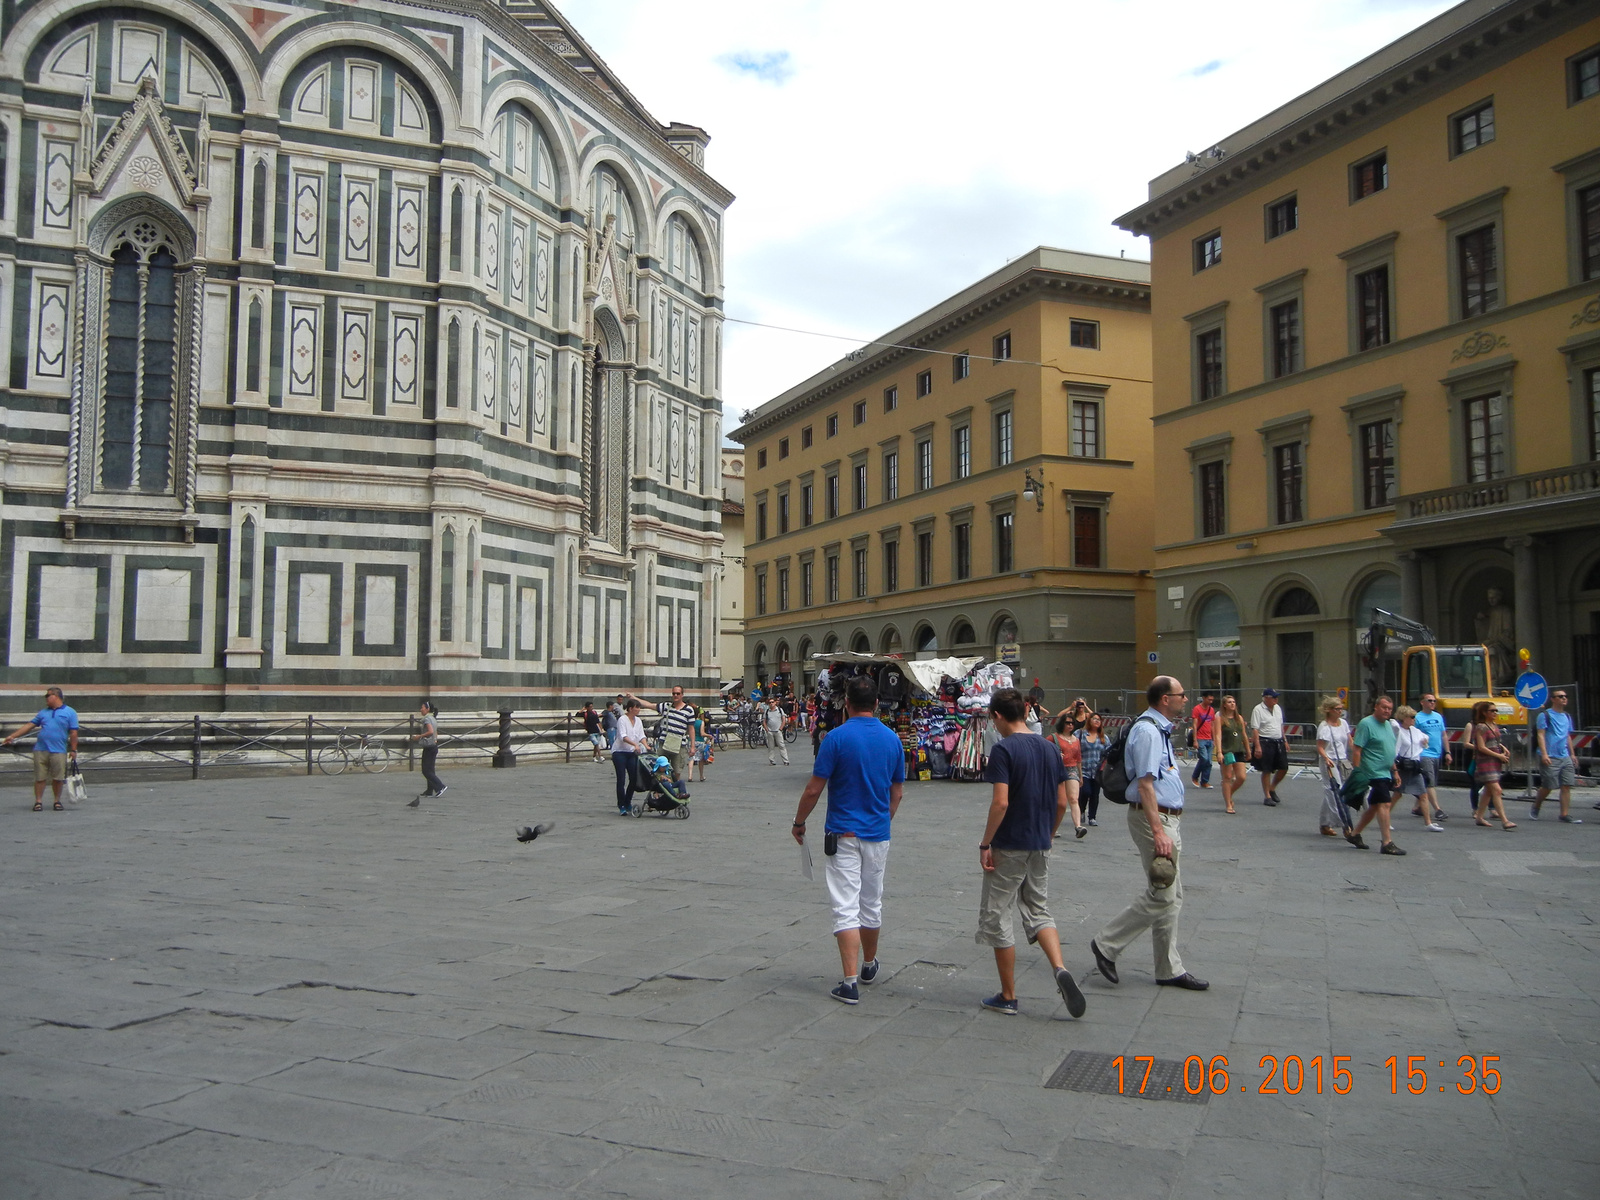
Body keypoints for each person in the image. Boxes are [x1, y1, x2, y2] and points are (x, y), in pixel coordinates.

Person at [791, 676, 905, 1005]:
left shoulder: (835, 739)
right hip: (877, 833)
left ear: (847, 703)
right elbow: (897, 793)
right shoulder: (892, 739)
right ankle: (869, 964)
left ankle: (850, 981)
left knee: (845, 906)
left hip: (843, 833)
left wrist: (799, 822)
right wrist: (884, 820)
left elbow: (814, 789)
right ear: (877, 703)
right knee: (872, 903)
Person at [1089, 676, 1208, 991]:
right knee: (1163, 894)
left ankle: (1168, 968)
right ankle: (1106, 944)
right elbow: (1145, 785)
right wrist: (1159, 831)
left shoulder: (1159, 729)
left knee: (1173, 896)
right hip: (1154, 819)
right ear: (1165, 699)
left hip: (1167, 819)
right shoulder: (1147, 731)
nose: (1186, 699)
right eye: (1181, 695)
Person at [975, 688, 1087, 1018]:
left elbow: (1001, 803)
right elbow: (1063, 802)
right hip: (1040, 841)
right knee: (1039, 909)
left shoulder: (1003, 750)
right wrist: (1048, 834)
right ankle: (1059, 968)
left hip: (1009, 842)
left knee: (998, 914)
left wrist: (985, 843)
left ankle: (1008, 995)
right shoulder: (1049, 748)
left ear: (996, 716)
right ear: (1025, 711)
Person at [4, 687, 80, 811]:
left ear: (55, 696)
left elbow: (73, 732)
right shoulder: (43, 712)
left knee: (58, 778)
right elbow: (29, 725)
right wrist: (12, 736)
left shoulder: (70, 712)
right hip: (41, 748)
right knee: (40, 777)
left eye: (47, 696)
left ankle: (57, 801)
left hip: (59, 750)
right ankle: (38, 801)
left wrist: (74, 749)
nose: (46, 698)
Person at [1347, 695, 1405, 854]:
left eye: (1390, 709)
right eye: (1384, 708)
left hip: (1385, 771)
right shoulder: (1366, 724)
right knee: (1385, 804)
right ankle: (1387, 842)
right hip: (1372, 771)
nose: (1387, 711)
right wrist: (1357, 771)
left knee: (1374, 806)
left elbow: (1389, 750)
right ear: (1376, 707)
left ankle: (1354, 834)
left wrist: (1394, 771)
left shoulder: (1387, 725)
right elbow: (1357, 749)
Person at [1533, 690, 1582, 823]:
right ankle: (1536, 805)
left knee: (1566, 785)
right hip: (1550, 756)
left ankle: (1564, 814)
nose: (1564, 699)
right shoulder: (1545, 715)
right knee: (1548, 786)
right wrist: (1544, 754)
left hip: (1564, 755)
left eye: (1565, 696)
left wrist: (1572, 754)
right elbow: (1541, 735)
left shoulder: (1566, 716)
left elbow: (1567, 736)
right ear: (1553, 699)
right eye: (1560, 697)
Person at [1394, 705, 1441, 833]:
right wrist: (1394, 769)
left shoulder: (1415, 731)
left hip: (1415, 766)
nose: (1414, 719)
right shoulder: (1398, 732)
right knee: (1397, 794)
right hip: (1403, 766)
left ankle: (1428, 823)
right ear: (1404, 718)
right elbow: (1395, 750)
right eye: (1412, 717)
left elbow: (1425, 738)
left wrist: (1425, 740)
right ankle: (1385, 817)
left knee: (1423, 794)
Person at [1469, 700, 1516, 831]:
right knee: (1497, 790)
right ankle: (1505, 820)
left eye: (1496, 711)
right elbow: (1481, 747)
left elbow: (1494, 741)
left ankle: (1479, 817)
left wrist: (1503, 748)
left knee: (1489, 791)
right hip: (1485, 762)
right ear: (1484, 713)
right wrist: (1498, 755)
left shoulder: (1493, 725)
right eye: (1492, 711)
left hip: (1494, 761)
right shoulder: (1481, 727)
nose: (1495, 713)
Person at [1314, 696, 1353, 839]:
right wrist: (1326, 758)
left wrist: (1356, 754)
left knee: (1337, 790)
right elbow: (1320, 747)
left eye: (1341, 709)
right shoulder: (1324, 727)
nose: (1340, 712)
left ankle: (1324, 823)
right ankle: (1344, 823)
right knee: (1335, 790)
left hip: (1342, 760)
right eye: (1337, 709)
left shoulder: (1343, 723)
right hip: (1329, 761)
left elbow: (1349, 741)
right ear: (1329, 710)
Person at [1412, 693, 1449, 822]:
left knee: (1428, 782)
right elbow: (1411, 734)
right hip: (1424, 754)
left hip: (1437, 753)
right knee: (1430, 783)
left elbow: (1443, 735)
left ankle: (1418, 807)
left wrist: (1448, 752)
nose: (1433, 703)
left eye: (1434, 701)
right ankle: (1438, 810)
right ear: (1422, 702)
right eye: (1429, 700)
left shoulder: (1438, 716)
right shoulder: (1417, 717)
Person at [1249, 689, 1288, 805]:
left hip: (1278, 740)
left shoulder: (1278, 708)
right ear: (1266, 698)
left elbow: (1280, 726)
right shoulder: (1258, 709)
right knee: (1267, 769)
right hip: (1265, 740)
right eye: (1273, 697)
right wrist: (1257, 746)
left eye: (1277, 697)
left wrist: (1285, 740)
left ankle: (1272, 787)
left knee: (1283, 767)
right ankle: (1267, 796)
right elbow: (1255, 729)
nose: (1276, 699)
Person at [612, 699, 648, 815]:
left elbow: (641, 735)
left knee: (633, 778)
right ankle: (621, 804)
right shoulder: (622, 719)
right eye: (637, 707)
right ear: (631, 708)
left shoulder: (638, 721)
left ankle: (628, 801)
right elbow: (623, 736)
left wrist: (646, 745)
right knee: (621, 779)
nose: (638, 710)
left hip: (632, 752)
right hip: (620, 752)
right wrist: (635, 744)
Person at [653, 686, 697, 780]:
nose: (675, 695)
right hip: (664, 742)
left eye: (678, 693)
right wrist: (634, 698)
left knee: (677, 771)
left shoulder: (689, 710)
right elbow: (650, 705)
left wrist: (693, 746)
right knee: (659, 768)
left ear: (682, 695)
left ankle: (674, 791)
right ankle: (660, 790)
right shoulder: (666, 706)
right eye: (673, 693)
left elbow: (691, 729)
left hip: (679, 744)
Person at [407, 699, 446, 800]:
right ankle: (429, 790)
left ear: (427, 709)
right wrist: (435, 740)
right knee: (430, 769)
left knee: (426, 770)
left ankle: (440, 786)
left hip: (429, 747)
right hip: (433, 746)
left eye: (422, 708)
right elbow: (435, 732)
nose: (420, 710)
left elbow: (430, 731)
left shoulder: (427, 719)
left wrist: (419, 736)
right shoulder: (433, 718)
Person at [1216, 695, 1248, 815]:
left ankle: (1229, 794)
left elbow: (1243, 734)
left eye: (1233, 702)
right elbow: (1218, 735)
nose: (1232, 704)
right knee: (1227, 777)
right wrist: (1219, 752)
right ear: (1224, 705)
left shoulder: (1238, 718)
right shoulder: (1220, 718)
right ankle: (1228, 804)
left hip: (1238, 750)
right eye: (1229, 702)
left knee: (1241, 777)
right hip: (1227, 750)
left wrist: (1248, 750)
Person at [1050, 711, 1083, 826]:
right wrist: (1055, 755)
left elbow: (1078, 758)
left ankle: (1078, 826)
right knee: (1058, 801)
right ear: (1062, 724)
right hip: (1057, 769)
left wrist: (1080, 775)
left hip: (1072, 769)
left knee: (1074, 798)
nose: (1070, 725)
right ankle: (1054, 826)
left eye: (1072, 723)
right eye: (1068, 723)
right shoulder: (1054, 737)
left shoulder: (1076, 740)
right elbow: (1043, 750)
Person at [1078, 712, 1108, 827]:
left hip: (1097, 771)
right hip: (1083, 769)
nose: (1096, 721)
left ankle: (1092, 817)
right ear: (1089, 721)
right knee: (1085, 791)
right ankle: (1081, 811)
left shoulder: (1103, 738)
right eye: (1094, 719)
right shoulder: (1080, 734)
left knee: (1095, 794)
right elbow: (1074, 747)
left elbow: (1108, 752)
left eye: (1099, 720)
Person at [1189, 692, 1217, 789]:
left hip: (1209, 738)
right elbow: (1195, 725)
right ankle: (1195, 776)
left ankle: (1205, 781)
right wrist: (1195, 740)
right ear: (1204, 698)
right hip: (1200, 738)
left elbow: (1212, 725)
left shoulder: (1211, 710)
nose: (1210, 701)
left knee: (1209, 761)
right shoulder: (1197, 709)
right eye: (1209, 699)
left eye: (1212, 700)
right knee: (1204, 758)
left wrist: (1214, 739)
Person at [761, 692, 791, 766]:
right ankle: (772, 760)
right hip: (770, 731)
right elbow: (764, 721)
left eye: (772, 702)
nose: (771, 703)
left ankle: (786, 760)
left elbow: (783, 719)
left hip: (778, 731)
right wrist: (767, 729)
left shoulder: (779, 710)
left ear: (775, 703)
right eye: (770, 702)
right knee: (771, 747)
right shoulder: (767, 711)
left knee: (781, 745)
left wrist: (781, 728)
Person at [691, 707, 711, 782]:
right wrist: (709, 735)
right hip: (700, 741)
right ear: (698, 714)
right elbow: (702, 733)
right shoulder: (700, 722)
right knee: (700, 760)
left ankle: (690, 775)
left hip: (691, 741)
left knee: (691, 758)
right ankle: (701, 776)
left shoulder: (690, 722)